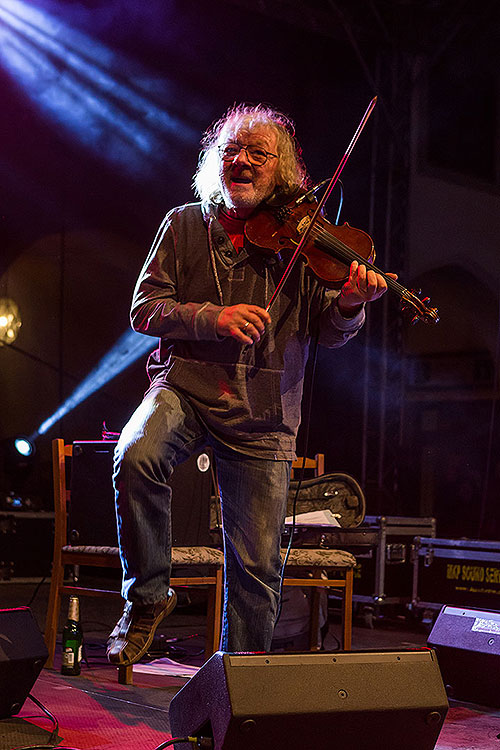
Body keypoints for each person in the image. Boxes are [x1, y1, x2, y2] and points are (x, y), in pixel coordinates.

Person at [107, 103, 393, 666]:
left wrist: (352, 306)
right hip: (185, 390)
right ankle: (146, 599)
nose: (241, 161)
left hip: (264, 418)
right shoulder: (185, 223)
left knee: (256, 573)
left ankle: (240, 692)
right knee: (135, 455)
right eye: (231, 151)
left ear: (282, 171)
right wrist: (210, 317)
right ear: (216, 160)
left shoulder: (306, 242)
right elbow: (145, 309)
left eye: (257, 154)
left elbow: (328, 332)